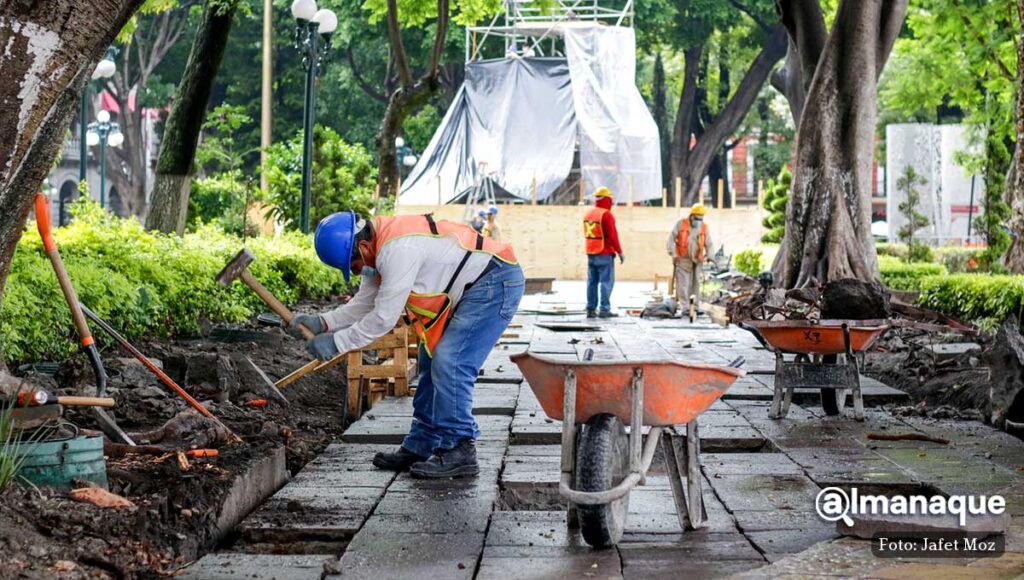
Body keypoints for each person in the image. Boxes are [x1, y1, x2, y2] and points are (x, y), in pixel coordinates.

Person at [288, 211, 525, 478]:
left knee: (450, 362)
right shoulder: (375, 250)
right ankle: (422, 444)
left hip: (494, 282)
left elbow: (382, 319)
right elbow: (365, 303)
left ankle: (460, 449)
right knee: (429, 359)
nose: (355, 272)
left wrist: (337, 343)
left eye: (352, 266)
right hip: (473, 287)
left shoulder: (397, 250)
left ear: (363, 247)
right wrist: (324, 322)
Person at [583, 187, 624, 318]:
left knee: (592, 282)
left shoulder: (588, 213)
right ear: (607, 200)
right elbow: (613, 236)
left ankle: (590, 309)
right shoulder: (606, 214)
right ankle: (604, 309)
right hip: (604, 253)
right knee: (606, 282)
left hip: (591, 252)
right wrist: (620, 252)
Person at [667, 203, 713, 304]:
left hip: (697, 259)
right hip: (683, 259)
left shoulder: (704, 227)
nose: (699, 221)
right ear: (692, 216)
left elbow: (709, 243)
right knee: (684, 283)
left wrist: (710, 255)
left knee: (696, 283)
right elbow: (670, 240)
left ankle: (695, 306)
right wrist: (674, 254)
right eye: (697, 218)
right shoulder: (681, 224)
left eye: (701, 218)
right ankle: (685, 307)